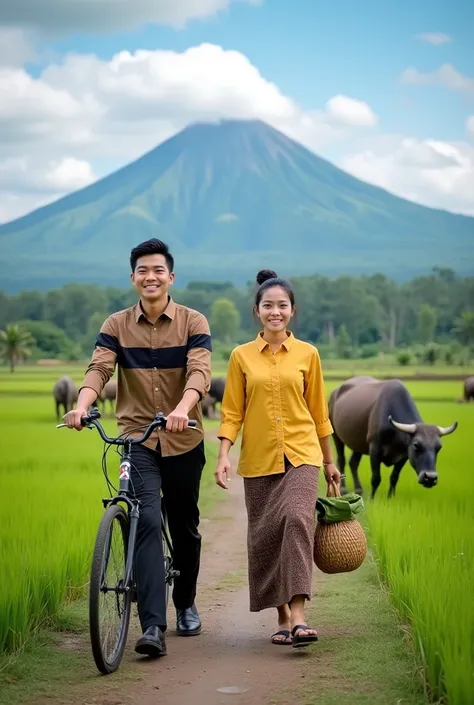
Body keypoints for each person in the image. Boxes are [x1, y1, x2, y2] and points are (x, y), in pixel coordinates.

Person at [63, 238, 212, 658]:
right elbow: (100, 368)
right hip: (137, 439)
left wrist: (183, 408)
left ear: (171, 277)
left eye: (158, 270)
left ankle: (184, 602)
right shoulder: (115, 325)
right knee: (145, 519)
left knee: (184, 525)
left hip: (183, 438)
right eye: (142, 271)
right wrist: (81, 405)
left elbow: (199, 373)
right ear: (133, 278)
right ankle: (152, 626)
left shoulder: (192, 321)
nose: (150, 277)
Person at [214, 270, 340, 648]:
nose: (275, 312)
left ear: (292, 310)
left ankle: (300, 615)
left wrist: (329, 462)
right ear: (257, 311)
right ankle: (282, 616)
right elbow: (232, 411)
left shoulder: (308, 354)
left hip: (303, 452)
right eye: (268, 305)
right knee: (266, 536)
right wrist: (223, 454)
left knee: (296, 518)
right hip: (259, 458)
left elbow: (319, 413)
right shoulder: (241, 357)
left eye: (281, 305)